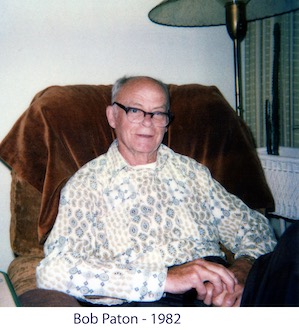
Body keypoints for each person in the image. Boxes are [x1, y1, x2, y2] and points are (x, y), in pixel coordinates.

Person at [36, 75, 278, 307]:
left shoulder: (191, 172)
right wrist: (165, 279)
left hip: (218, 287)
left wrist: (241, 272)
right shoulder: (87, 185)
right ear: (112, 116)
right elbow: (54, 270)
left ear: (167, 121)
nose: (148, 121)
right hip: (152, 298)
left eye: (159, 113)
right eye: (135, 110)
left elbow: (254, 227)